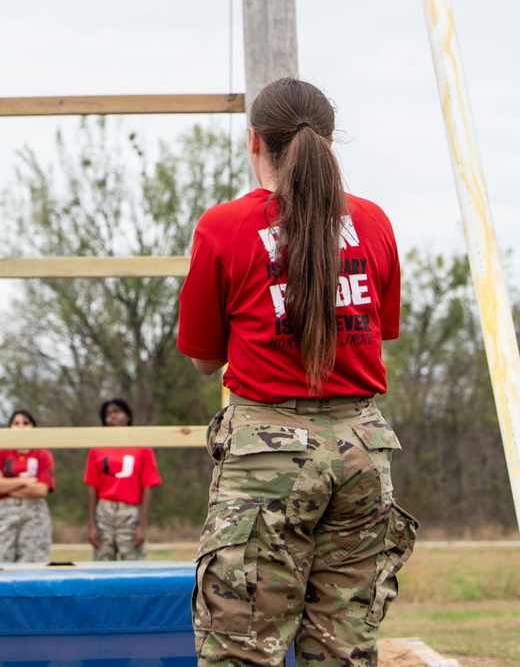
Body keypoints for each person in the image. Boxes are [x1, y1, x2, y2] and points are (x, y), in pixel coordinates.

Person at [177, 77, 417, 667]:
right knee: (343, 650)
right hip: (363, 452)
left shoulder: (225, 226)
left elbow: (206, 357)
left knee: (240, 651)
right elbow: (379, 332)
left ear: (254, 141)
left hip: (268, 458)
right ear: (330, 143)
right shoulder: (375, 222)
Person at [84, 398, 162, 561]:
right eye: (109, 414)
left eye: (118, 411)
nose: (114, 417)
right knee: (103, 562)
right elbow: (92, 487)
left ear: (128, 416)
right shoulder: (97, 449)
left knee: (134, 563)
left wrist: (142, 525)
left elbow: (148, 487)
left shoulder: (142, 447)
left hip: (130, 511)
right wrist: (92, 525)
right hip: (104, 511)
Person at [0, 410, 54, 564]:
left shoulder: (42, 454)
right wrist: (25, 482)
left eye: (25, 423)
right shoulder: (1, 453)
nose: (21, 426)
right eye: (16, 423)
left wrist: (6, 486)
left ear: (33, 427)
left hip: (34, 512)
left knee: (33, 560)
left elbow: (41, 490)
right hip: (5, 510)